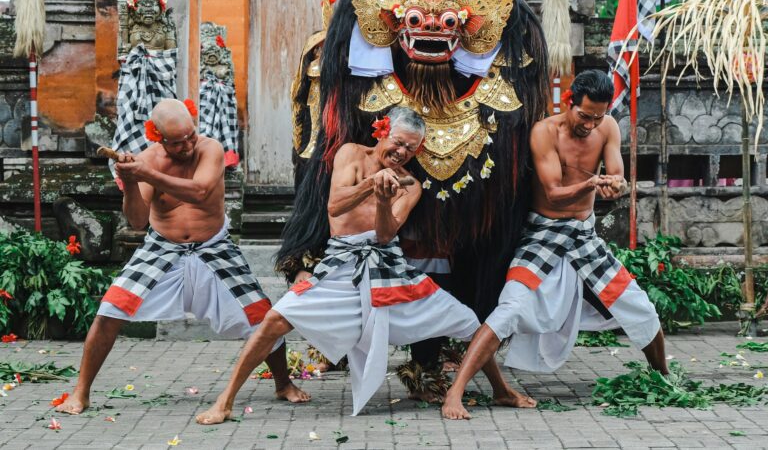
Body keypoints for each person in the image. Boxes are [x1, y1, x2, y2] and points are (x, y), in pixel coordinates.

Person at [196, 106, 534, 423]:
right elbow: (334, 206)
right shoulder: (351, 154)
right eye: (399, 143)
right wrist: (373, 184)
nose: (402, 153)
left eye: (411, 149)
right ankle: (224, 401)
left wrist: (386, 203)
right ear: (382, 131)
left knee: (469, 322)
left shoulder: (411, 185)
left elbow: (386, 236)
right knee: (274, 319)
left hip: (388, 266)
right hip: (341, 263)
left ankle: (500, 390)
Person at [56, 99, 308, 415]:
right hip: (162, 246)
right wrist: (133, 183)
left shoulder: (210, 149)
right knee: (110, 309)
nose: (188, 145)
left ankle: (283, 383)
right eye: (177, 142)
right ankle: (81, 392)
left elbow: (200, 191)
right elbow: (136, 220)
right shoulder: (148, 160)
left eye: (190, 135)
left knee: (260, 312)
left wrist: (148, 173)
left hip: (214, 245)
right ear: (157, 136)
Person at [442, 70, 668, 420]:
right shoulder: (544, 132)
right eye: (584, 115)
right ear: (568, 103)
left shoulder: (607, 126)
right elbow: (553, 193)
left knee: (639, 306)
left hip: (583, 237)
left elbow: (618, 175)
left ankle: (664, 378)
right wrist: (593, 183)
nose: (590, 125)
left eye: (598, 117)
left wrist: (616, 186)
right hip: (543, 235)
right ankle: (454, 394)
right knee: (509, 310)